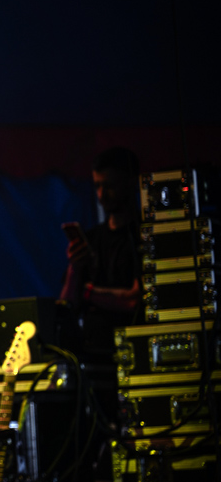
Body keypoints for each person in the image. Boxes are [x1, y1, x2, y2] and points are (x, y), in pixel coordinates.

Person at [58, 146, 143, 358]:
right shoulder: (92, 239)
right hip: (93, 355)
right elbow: (65, 307)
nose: (102, 195)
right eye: (97, 186)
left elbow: (135, 301)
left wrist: (88, 293)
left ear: (131, 182)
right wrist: (74, 269)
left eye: (110, 186)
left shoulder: (146, 236)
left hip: (135, 351)